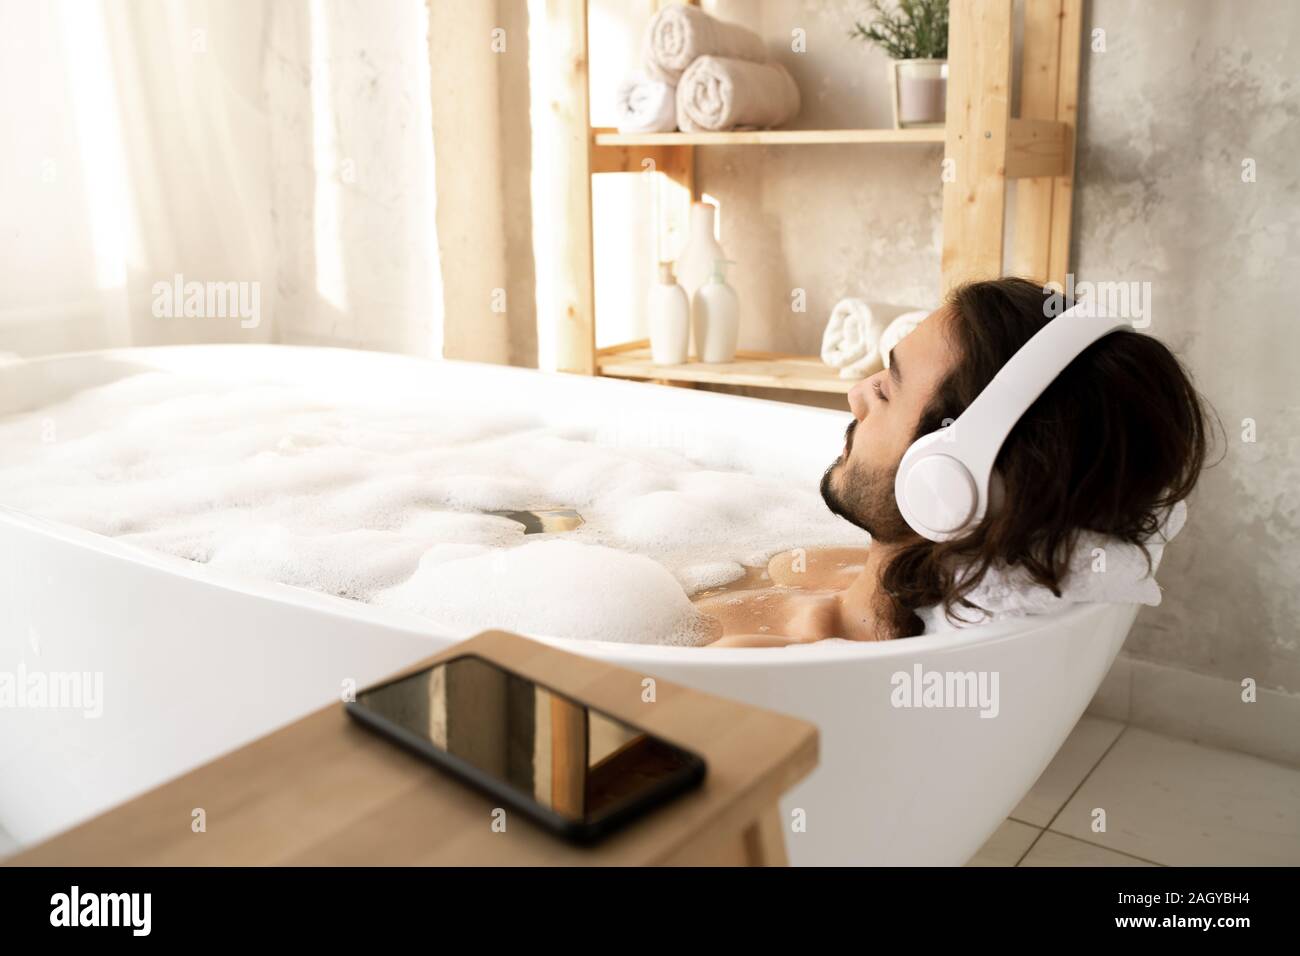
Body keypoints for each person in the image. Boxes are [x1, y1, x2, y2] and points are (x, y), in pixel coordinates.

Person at [695, 277, 1215, 646]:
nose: (855, 395)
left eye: (886, 391)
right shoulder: (819, 571)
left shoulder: (755, 647)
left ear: (947, 477)